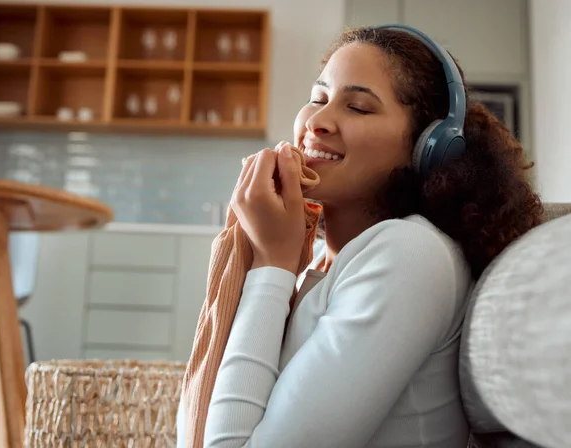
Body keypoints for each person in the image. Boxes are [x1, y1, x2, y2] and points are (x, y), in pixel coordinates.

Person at [178, 25, 543, 447]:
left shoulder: (410, 253)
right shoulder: (318, 262)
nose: (316, 122)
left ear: (429, 146)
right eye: (318, 99)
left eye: (358, 107)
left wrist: (269, 262)